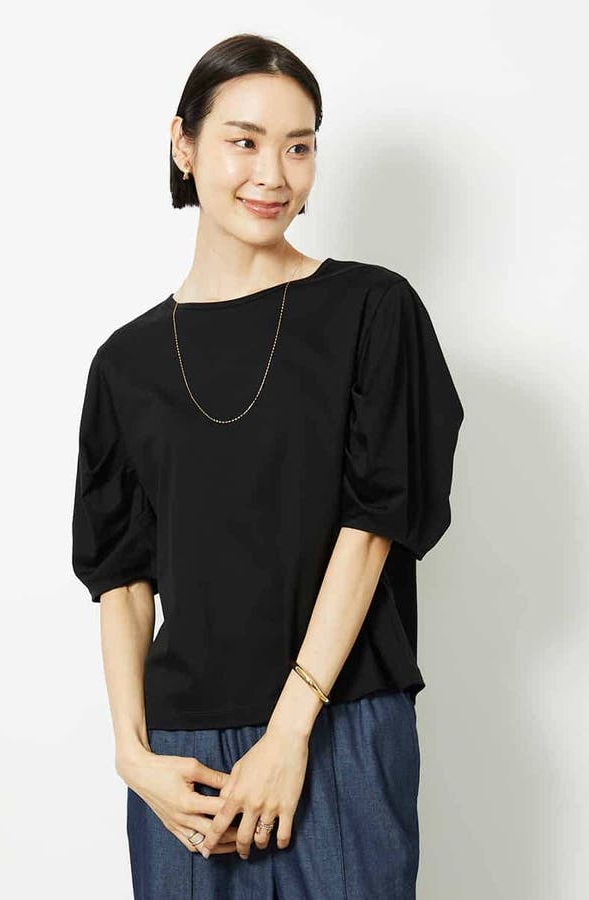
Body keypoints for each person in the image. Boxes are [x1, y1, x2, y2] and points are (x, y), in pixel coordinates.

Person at [71, 33, 464, 900]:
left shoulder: (372, 308)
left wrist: (290, 732)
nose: (273, 175)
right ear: (184, 144)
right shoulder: (125, 364)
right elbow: (122, 578)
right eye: (243, 141)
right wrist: (132, 753)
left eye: (298, 146)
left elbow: (374, 527)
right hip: (183, 761)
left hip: (337, 724)